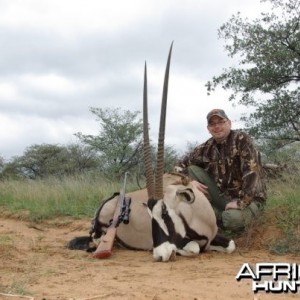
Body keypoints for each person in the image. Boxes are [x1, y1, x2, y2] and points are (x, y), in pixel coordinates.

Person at [176, 108, 267, 233]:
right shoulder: (205, 147)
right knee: (191, 170)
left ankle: (213, 218)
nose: (216, 126)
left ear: (229, 123)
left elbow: (252, 171)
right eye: (212, 124)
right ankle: (214, 215)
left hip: (249, 200)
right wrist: (189, 181)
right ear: (208, 129)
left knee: (231, 220)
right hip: (223, 198)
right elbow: (178, 166)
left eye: (221, 122)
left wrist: (242, 203)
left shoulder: (242, 140)